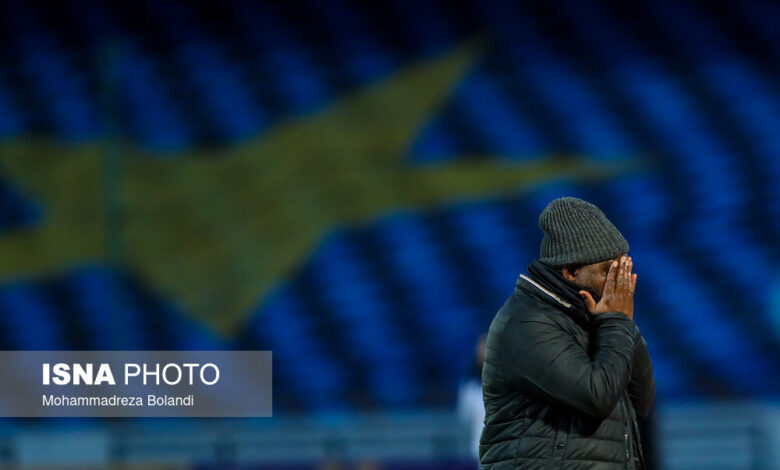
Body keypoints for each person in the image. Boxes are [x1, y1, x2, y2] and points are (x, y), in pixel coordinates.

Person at [480, 197, 655, 469]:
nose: (617, 284)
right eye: (608, 271)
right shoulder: (526, 323)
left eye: (623, 269)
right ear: (571, 271)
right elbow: (595, 396)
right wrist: (617, 320)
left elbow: (640, 404)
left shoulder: (597, 320)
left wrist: (622, 323)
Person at [457, 334, 487, 466]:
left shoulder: (511, 385)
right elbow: (464, 419)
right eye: (481, 348)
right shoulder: (470, 388)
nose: (484, 352)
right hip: (481, 454)